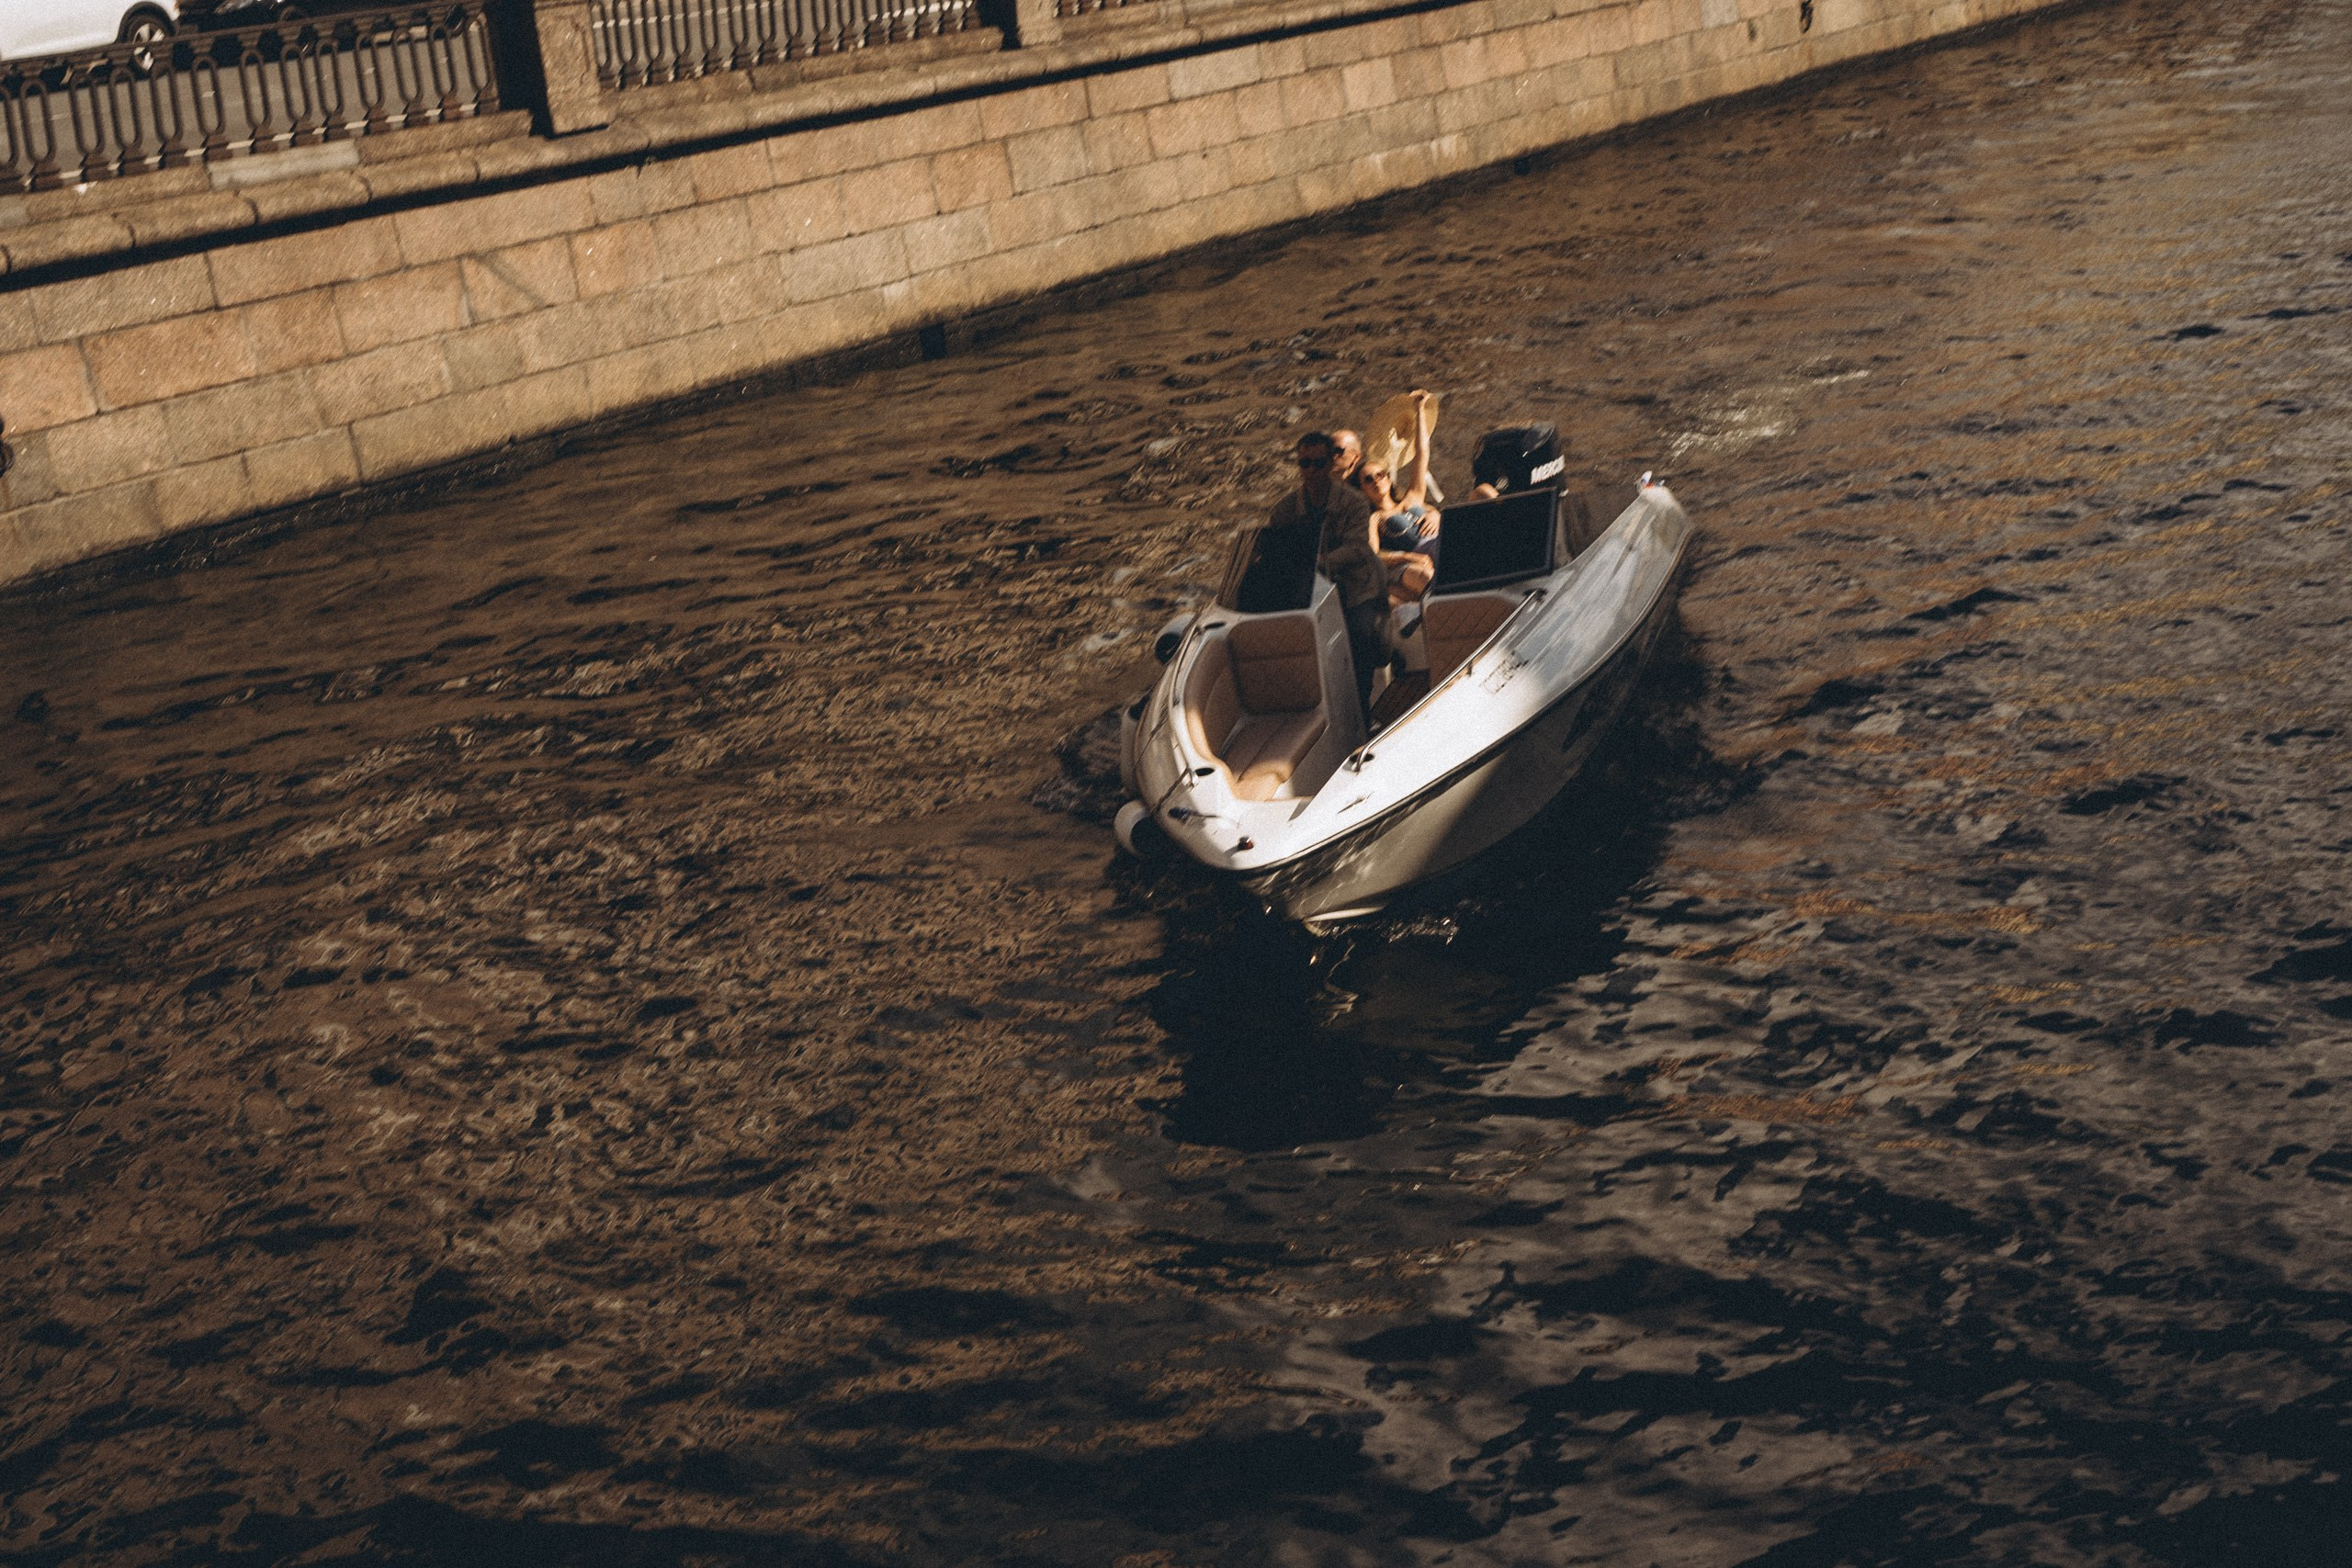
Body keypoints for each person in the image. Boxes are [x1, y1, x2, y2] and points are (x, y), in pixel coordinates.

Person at [1269, 432, 1385, 723]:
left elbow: (1358, 549)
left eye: (1318, 463)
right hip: (1309, 594)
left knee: (1361, 638)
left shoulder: (1354, 503)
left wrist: (1318, 563)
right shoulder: (1284, 510)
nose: (1311, 471)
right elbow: (1276, 551)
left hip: (1356, 589)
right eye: (1304, 464)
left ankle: (1361, 716)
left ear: (1331, 463)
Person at [1354, 389, 1442, 604]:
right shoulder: (1375, 519)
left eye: (1380, 475)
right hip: (1423, 555)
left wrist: (1420, 411)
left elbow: (1421, 454)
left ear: (1388, 478)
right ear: (1362, 489)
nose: (1376, 481)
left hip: (1441, 540)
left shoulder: (1412, 498)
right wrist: (1408, 557)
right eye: (1368, 480)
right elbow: (1373, 557)